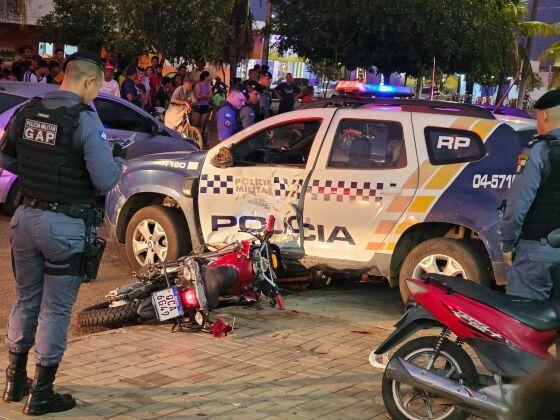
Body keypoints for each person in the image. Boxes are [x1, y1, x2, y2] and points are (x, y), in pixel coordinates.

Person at [0, 50, 125, 415]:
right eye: (96, 88)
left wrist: (38, 167)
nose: (95, 95)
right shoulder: (84, 120)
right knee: (55, 310)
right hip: (65, 227)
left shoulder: (28, 111)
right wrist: (117, 158)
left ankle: (14, 381)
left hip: (25, 218)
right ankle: (42, 394)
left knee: (26, 300)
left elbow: (6, 159)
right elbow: (104, 178)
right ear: (87, 81)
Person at [500, 89, 560, 299]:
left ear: (544, 115)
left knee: (523, 322)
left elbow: (517, 205)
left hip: (539, 251)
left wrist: (507, 244)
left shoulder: (539, 151)